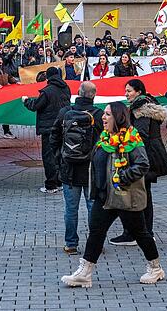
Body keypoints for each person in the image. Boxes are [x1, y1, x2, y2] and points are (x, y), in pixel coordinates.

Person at [61, 102, 164, 288]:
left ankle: (155, 268)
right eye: (104, 114)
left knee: (140, 233)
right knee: (96, 232)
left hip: (124, 196)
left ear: (119, 117)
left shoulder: (131, 138)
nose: (103, 117)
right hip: (105, 196)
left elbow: (143, 164)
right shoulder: (105, 138)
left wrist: (123, 177)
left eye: (108, 114)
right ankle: (85, 273)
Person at [110, 79, 167, 247]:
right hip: (150, 155)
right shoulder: (146, 104)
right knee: (143, 194)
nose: (126, 94)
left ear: (138, 92)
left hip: (145, 156)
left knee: (138, 194)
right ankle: (144, 233)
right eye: (126, 91)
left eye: (129, 91)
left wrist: (123, 143)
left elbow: (140, 134)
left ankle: (137, 234)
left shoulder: (141, 109)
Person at [49, 81, 102, 255]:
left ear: (78, 92)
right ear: (94, 95)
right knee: (93, 207)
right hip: (91, 169)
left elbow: (54, 137)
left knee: (71, 209)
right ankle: (95, 244)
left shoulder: (66, 113)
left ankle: (71, 244)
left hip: (69, 169)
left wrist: (60, 158)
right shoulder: (99, 115)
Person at [22, 66, 70, 194]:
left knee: (49, 157)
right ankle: (59, 182)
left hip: (49, 129)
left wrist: (26, 101)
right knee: (60, 155)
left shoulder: (47, 91)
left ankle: (51, 185)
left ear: (48, 77)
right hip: (63, 126)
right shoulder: (66, 88)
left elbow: (35, 106)